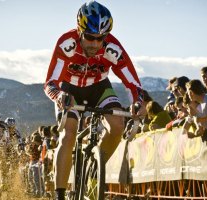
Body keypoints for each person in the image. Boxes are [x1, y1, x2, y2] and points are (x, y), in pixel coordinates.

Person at [43, 1, 144, 199]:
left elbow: (133, 83)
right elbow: (50, 83)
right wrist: (59, 96)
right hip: (69, 88)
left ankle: (96, 168)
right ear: (80, 31)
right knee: (69, 135)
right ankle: (60, 194)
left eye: (101, 38)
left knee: (117, 125)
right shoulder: (67, 43)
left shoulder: (112, 47)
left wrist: (138, 102)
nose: (96, 44)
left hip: (99, 87)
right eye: (90, 37)